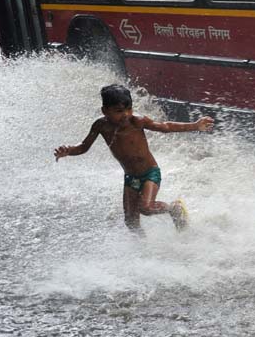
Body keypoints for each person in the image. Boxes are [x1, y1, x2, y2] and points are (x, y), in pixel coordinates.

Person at [53, 84, 214, 233]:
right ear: (105, 111)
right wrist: (68, 151)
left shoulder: (137, 121)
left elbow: (165, 126)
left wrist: (194, 125)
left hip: (150, 173)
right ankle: (143, 249)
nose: (125, 115)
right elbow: (83, 146)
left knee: (146, 207)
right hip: (131, 177)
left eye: (129, 109)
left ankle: (173, 208)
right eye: (118, 111)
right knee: (131, 221)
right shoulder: (100, 126)